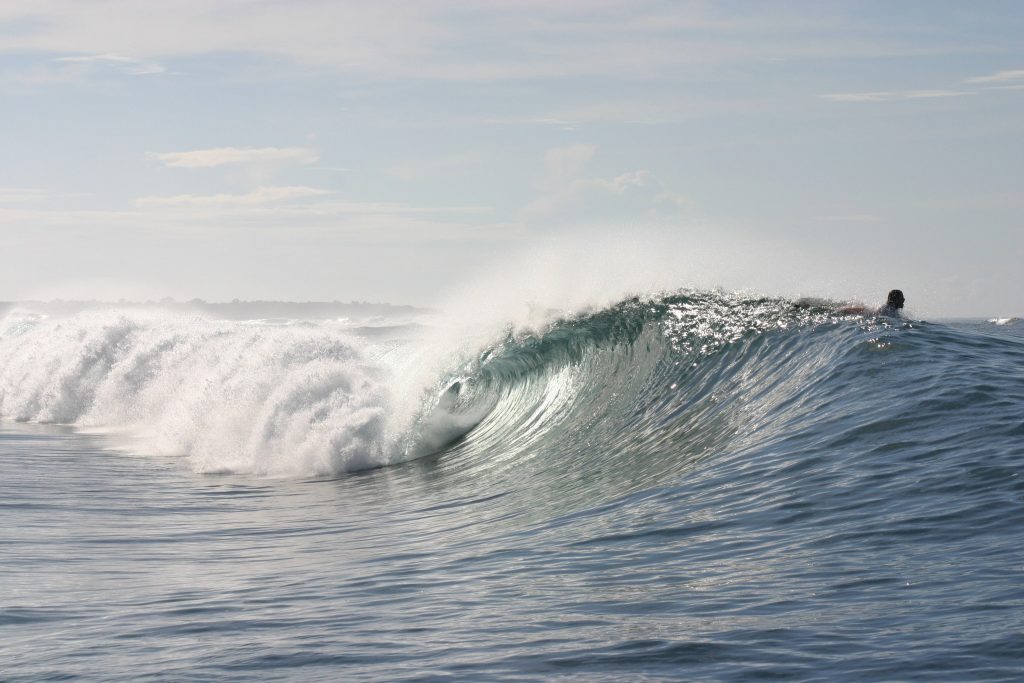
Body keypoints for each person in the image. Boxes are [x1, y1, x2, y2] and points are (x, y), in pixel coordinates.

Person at [836, 289, 905, 316]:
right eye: (901, 298)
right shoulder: (888, 310)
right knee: (844, 311)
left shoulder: (892, 309)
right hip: (868, 314)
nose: (904, 300)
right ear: (896, 300)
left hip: (869, 312)